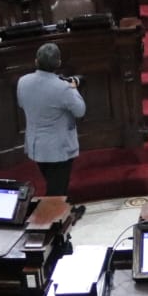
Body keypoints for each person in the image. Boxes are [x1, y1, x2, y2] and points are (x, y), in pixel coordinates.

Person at [15, 43, 87, 197]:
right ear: (58, 63)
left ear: (36, 61)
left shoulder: (23, 81)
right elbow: (80, 110)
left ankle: (57, 214)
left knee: (54, 185)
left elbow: (22, 104)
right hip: (58, 150)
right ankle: (52, 218)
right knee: (56, 193)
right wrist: (73, 88)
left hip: (37, 146)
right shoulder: (63, 88)